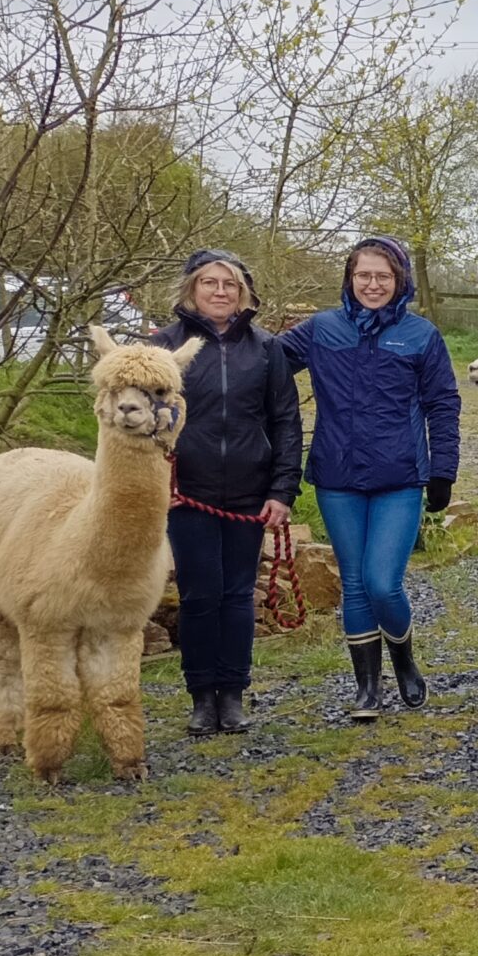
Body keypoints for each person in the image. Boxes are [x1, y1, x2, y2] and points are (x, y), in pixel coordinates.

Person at [280, 235, 462, 723]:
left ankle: (402, 656)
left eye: (384, 276)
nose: (373, 284)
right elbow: (262, 363)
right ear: (350, 277)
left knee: (383, 582)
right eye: (364, 275)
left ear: (400, 280)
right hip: (337, 475)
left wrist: (443, 469)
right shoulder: (322, 329)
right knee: (355, 582)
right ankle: (367, 688)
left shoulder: (420, 335)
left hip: (399, 476)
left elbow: (444, 404)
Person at [151, 249, 301, 738]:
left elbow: (285, 421)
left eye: (229, 285)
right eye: (209, 283)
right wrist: (157, 483)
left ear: (243, 293)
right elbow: (139, 422)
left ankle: (232, 693)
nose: (219, 292)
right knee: (198, 596)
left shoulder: (265, 349)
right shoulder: (162, 347)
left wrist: (282, 489)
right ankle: (200, 695)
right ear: (191, 289)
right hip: (186, 493)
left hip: (247, 493)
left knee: (237, 596)